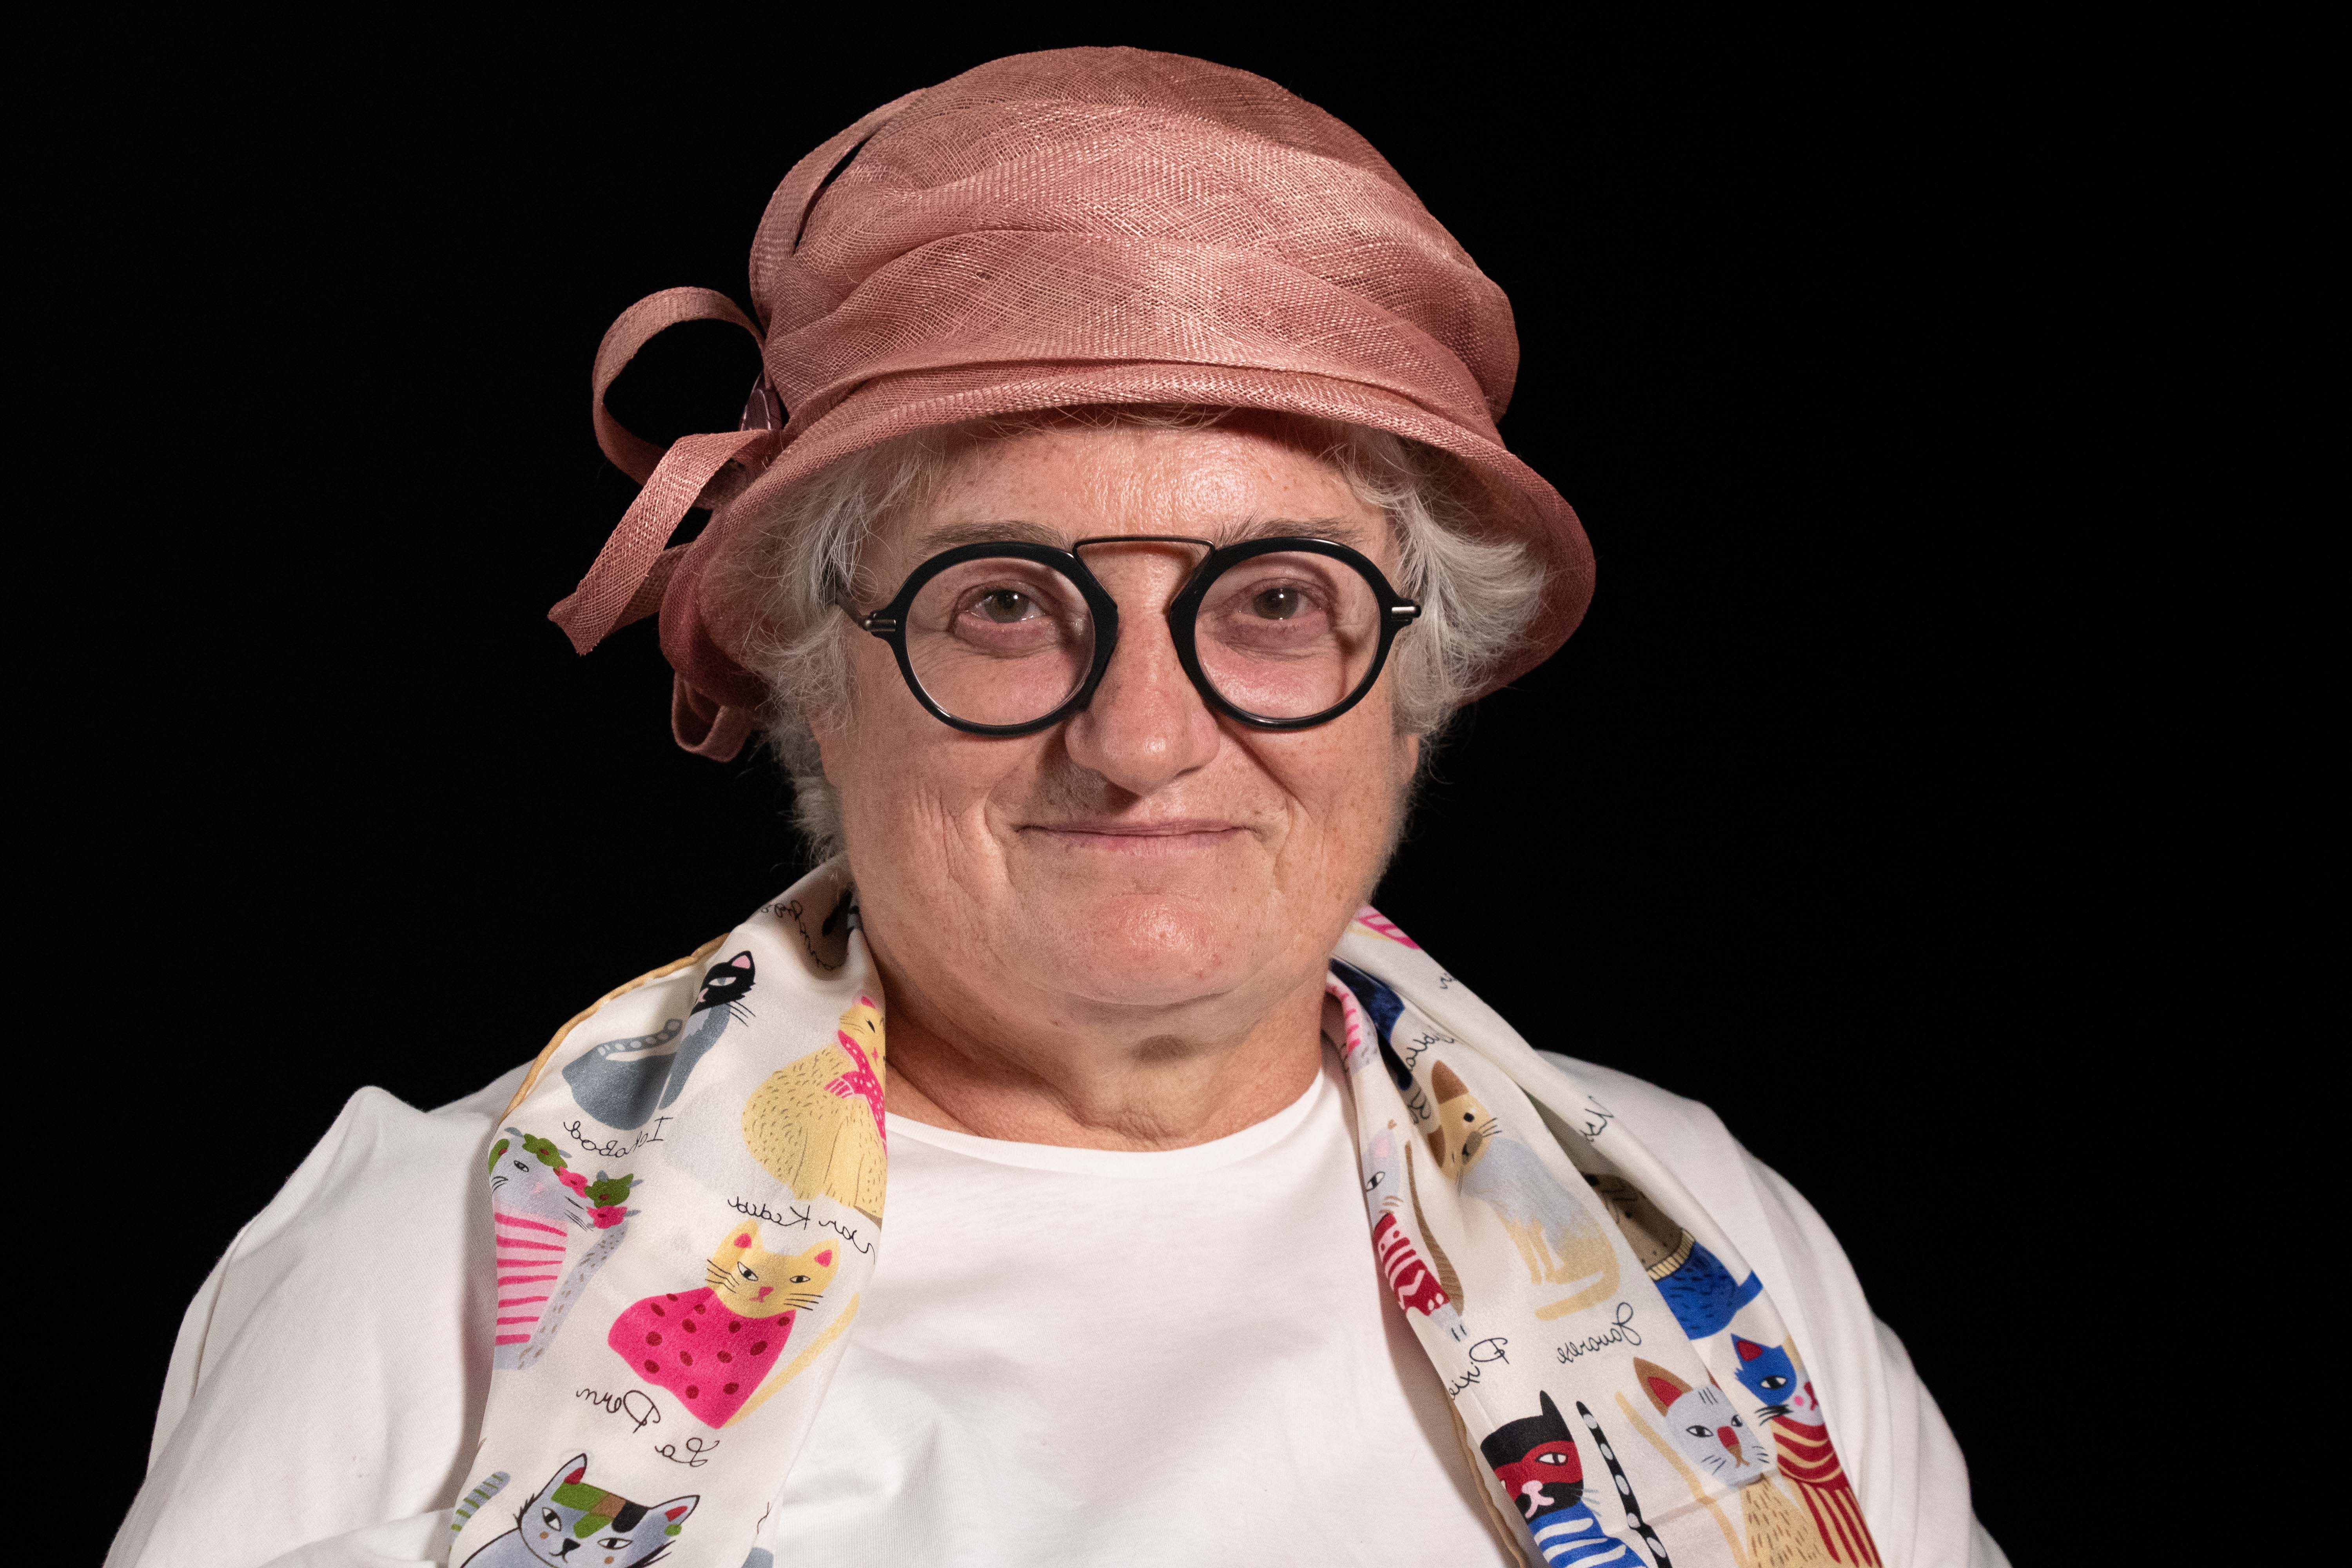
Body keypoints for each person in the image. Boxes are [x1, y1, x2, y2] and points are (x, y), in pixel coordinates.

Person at [110, 47, 2003, 1568]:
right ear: (822, 676)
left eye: (1275, 602)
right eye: (1008, 603)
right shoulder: (433, 1269)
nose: (1146, 737)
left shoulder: (1714, 1233)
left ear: (1413, 685)